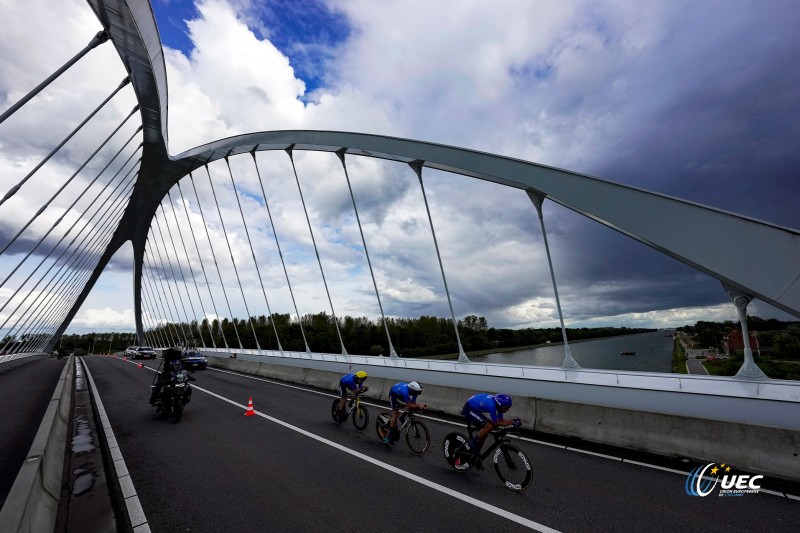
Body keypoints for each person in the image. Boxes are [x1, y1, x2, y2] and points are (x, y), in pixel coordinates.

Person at [461, 393, 520, 465]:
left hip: (475, 409)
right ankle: (472, 444)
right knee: (489, 426)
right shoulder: (492, 405)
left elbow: (501, 420)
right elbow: (497, 423)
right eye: (506, 408)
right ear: (501, 405)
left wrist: (513, 422)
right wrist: (512, 422)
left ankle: (476, 454)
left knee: (484, 434)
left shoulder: (498, 406)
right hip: (469, 408)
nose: (507, 410)